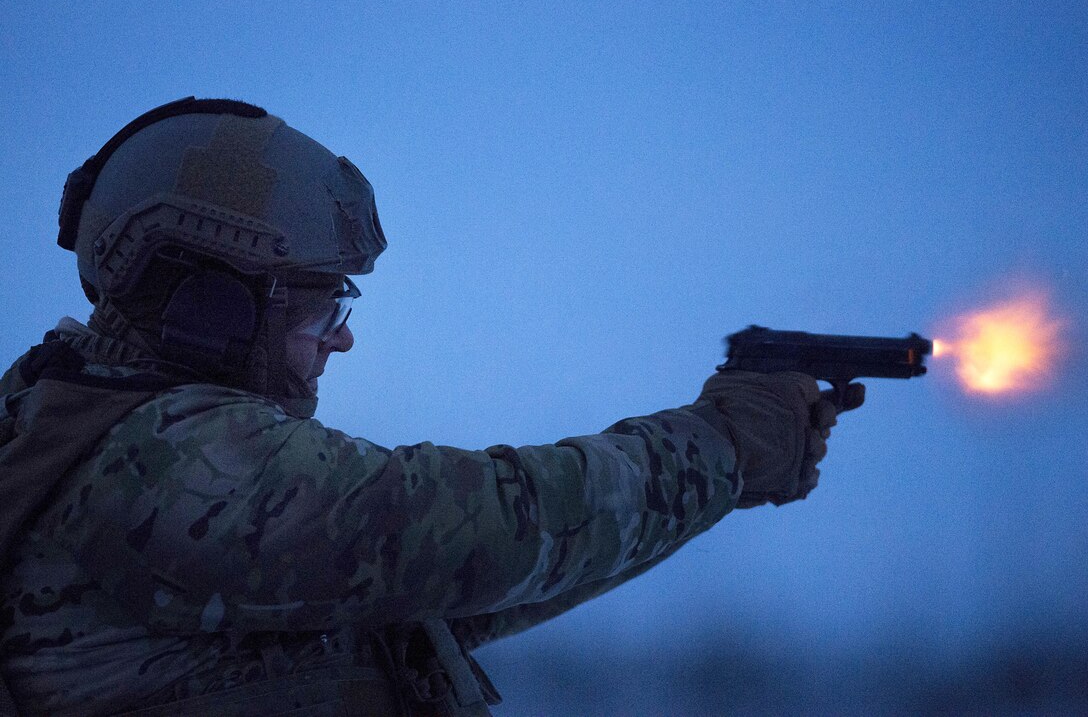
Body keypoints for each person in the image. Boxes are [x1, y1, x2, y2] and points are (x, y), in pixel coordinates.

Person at [0, 97, 862, 716]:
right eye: (316, 307)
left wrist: (721, 472)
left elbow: (459, 582)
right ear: (212, 307)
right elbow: (481, 527)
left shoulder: (92, 431)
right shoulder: (167, 463)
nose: (340, 340)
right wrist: (720, 447)